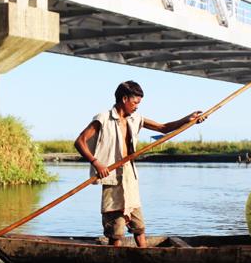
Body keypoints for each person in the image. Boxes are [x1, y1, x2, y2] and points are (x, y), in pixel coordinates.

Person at [74, 80, 204, 247]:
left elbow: (163, 127)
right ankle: (116, 261)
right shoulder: (103, 118)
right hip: (112, 177)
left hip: (130, 176)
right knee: (116, 231)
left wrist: (188, 120)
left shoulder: (135, 119)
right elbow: (80, 141)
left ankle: (144, 257)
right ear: (124, 99)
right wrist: (96, 163)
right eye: (135, 102)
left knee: (139, 227)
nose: (137, 107)